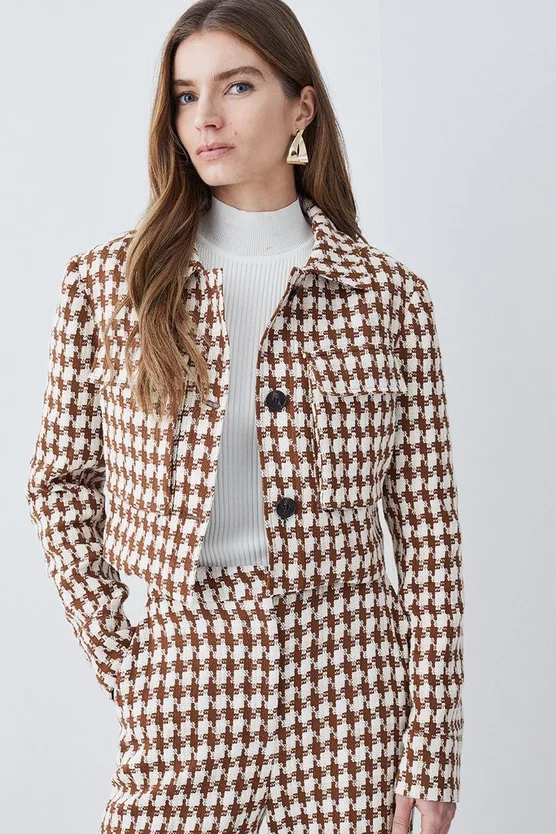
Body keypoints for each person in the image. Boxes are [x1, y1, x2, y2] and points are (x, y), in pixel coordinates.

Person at [26, 1, 464, 833]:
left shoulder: (388, 299)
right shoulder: (110, 286)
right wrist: (131, 664)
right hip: (184, 676)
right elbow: (60, 486)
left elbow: (429, 531)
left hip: (351, 689)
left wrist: (432, 744)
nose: (207, 117)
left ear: (302, 108)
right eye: (186, 95)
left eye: (237, 86)